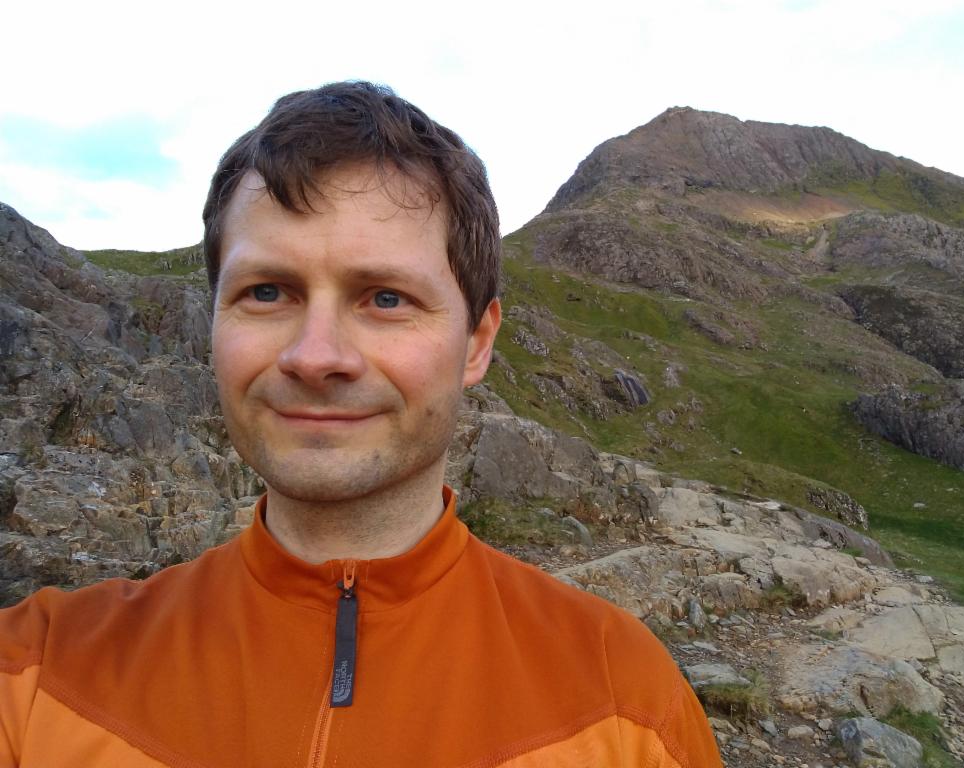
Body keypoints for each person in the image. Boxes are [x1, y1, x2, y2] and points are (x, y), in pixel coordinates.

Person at [0, 81, 722, 767]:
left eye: (384, 299)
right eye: (267, 291)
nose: (316, 357)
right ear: (214, 319)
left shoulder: (629, 707)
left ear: (476, 342)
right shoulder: (33, 673)